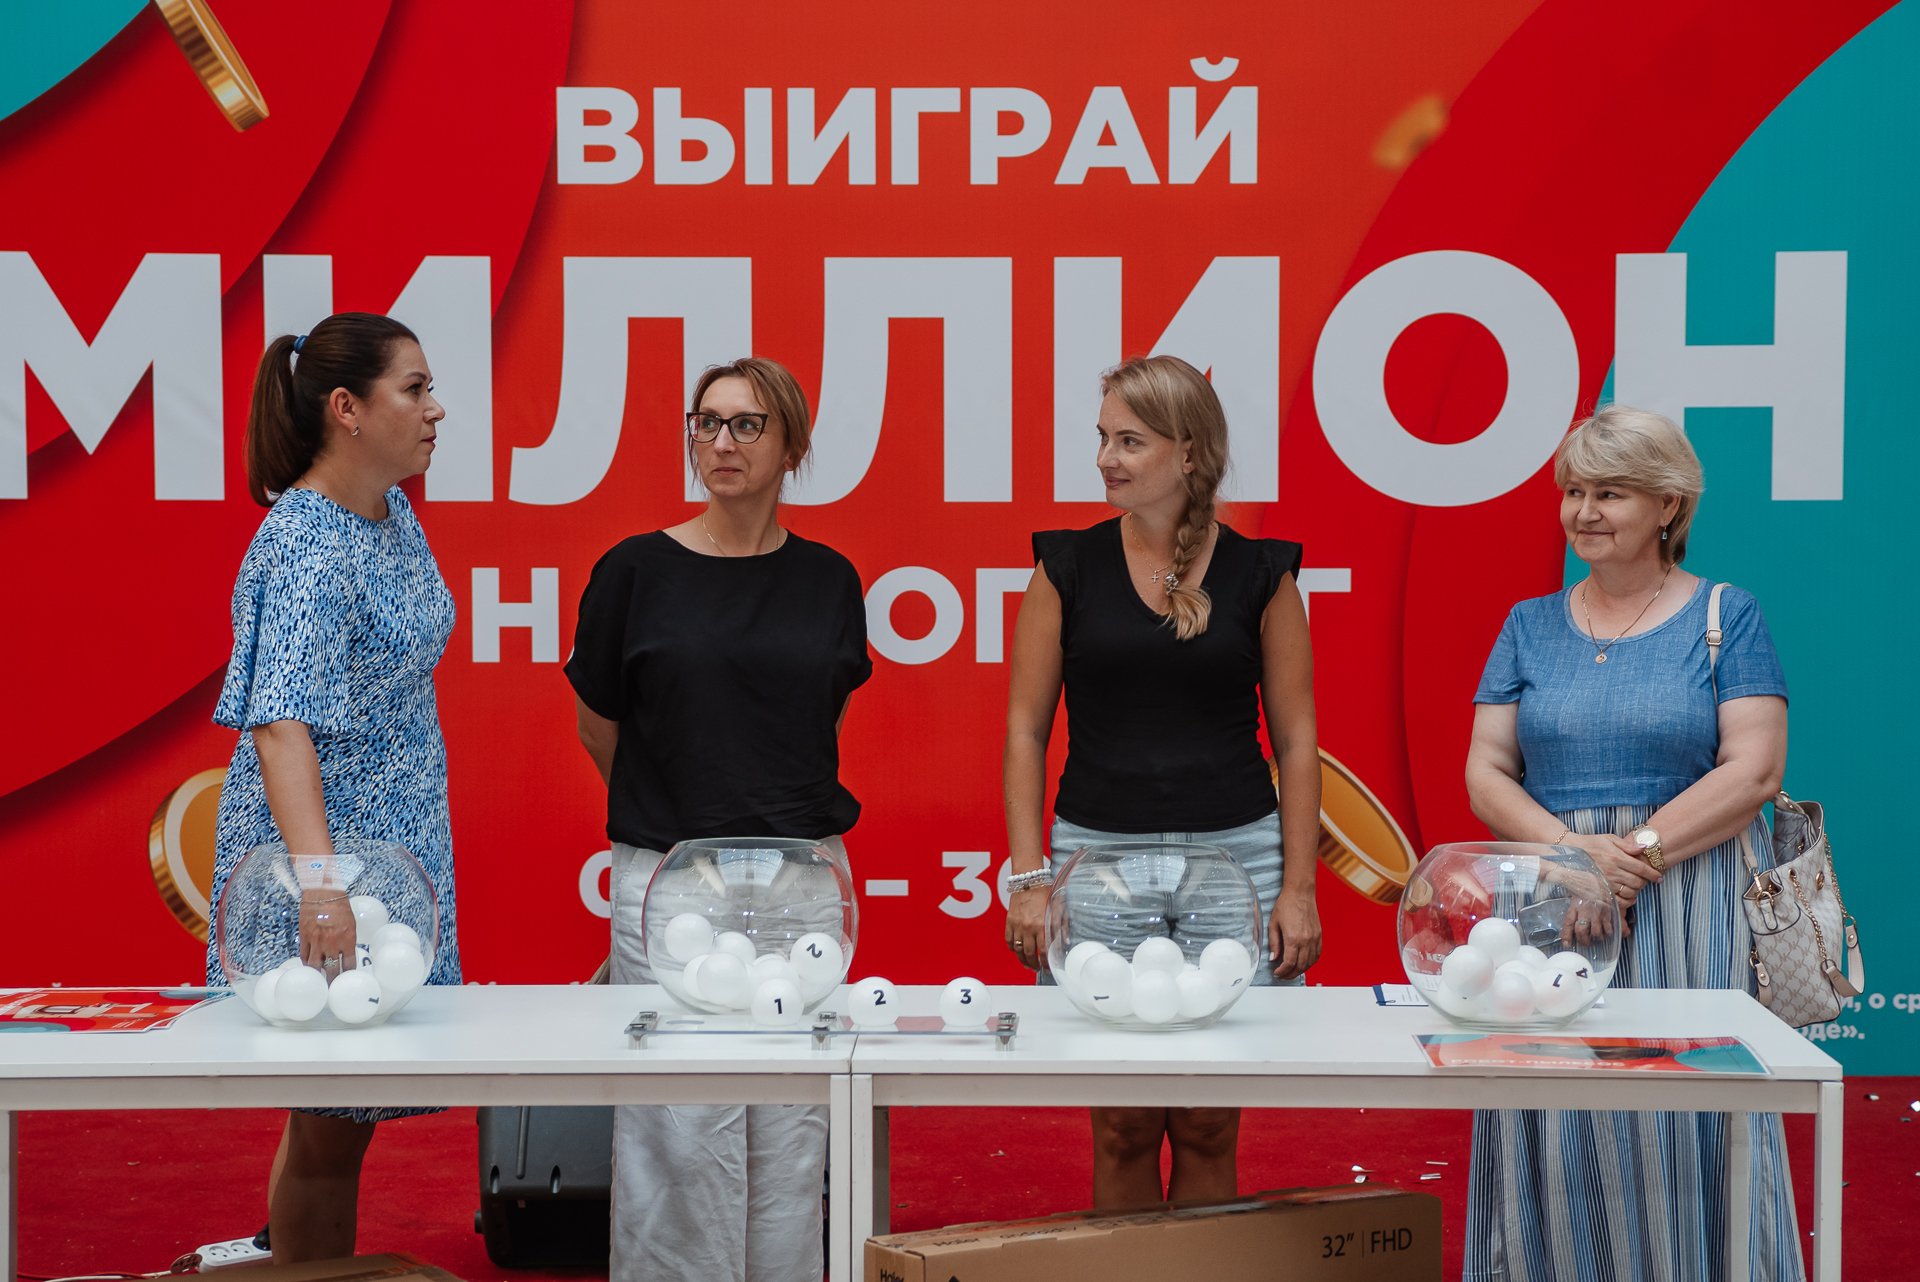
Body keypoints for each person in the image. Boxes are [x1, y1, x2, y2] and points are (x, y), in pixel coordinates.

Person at [1463, 405, 1799, 1281]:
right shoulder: (1527, 624)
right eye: (1574, 491)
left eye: (1610, 493)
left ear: (1668, 504)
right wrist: (1574, 858)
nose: (1584, 512)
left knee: (1689, 1106)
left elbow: (1755, 770)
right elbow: (1487, 770)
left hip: (1689, 899)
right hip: (1550, 900)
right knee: (1554, 1106)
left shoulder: (1727, 614)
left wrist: (1632, 858)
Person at [567, 357, 871, 1282]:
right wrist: (682, 826)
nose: (721, 442)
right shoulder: (633, 570)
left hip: (801, 880)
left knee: (792, 1130)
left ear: (793, 447)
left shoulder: (829, 578)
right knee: (678, 1132)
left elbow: (818, 720)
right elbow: (599, 724)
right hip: (671, 882)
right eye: (706, 422)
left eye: (747, 424)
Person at [1001, 355, 1322, 1207]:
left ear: (1188, 452)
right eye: (1103, 438)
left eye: (1129, 441)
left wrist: (1297, 891)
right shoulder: (1064, 566)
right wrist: (1029, 880)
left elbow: (1298, 743)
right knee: (1123, 1123)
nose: (1105, 458)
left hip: (1237, 866)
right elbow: (1025, 733)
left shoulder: (1265, 574)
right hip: (1096, 865)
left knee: (1210, 1122)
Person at [207, 313, 459, 1262]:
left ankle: (294, 1262)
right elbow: (280, 727)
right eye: (415, 389)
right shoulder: (306, 543)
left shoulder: (390, 513)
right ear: (347, 409)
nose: (436, 410)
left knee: (336, 1114)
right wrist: (321, 888)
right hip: (327, 867)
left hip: (386, 858)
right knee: (331, 1120)